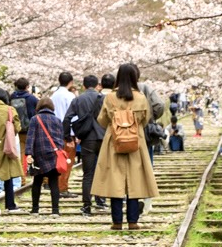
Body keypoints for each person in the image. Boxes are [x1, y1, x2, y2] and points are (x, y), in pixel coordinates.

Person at [91, 64, 160, 230]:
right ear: (135, 78)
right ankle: (133, 221)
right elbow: (145, 120)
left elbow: (102, 119)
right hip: (136, 141)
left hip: (114, 142)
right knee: (134, 181)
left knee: (115, 181)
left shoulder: (110, 98)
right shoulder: (141, 97)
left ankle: (116, 221)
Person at [64, 74, 106, 216]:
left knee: (88, 173)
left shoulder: (78, 99)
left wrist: (67, 136)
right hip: (102, 138)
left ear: (83, 86)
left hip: (87, 138)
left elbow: (67, 118)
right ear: (97, 85)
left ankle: (87, 206)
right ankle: (101, 200)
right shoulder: (103, 99)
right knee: (102, 170)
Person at [26, 97, 66, 214]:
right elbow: (60, 138)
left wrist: (29, 153)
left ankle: (35, 209)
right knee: (53, 182)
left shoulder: (35, 119)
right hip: (54, 154)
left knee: (37, 181)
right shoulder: (57, 120)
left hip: (39, 154)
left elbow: (30, 137)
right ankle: (55, 210)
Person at [0, 84, 24, 212]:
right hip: (5, 147)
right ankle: (10, 205)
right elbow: (17, 128)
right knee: (8, 177)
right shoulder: (10, 110)